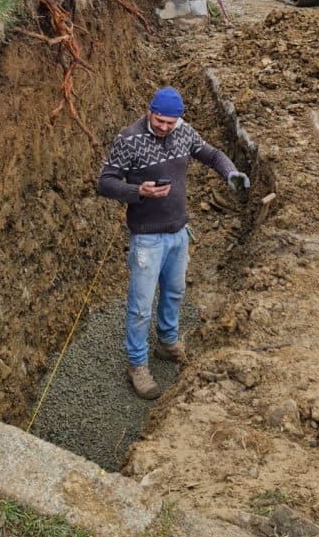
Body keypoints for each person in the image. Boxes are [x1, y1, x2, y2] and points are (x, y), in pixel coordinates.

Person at [96, 86, 250, 400]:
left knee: (175, 291)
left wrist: (230, 172)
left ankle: (167, 341)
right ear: (150, 110)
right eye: (159, 120)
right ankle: (137, 364)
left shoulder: (183, 131)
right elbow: (105, 182)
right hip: (147, 238)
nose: (164, 127)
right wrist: (139, 192)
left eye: (170, 122)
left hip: (178, 233)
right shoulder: (129, 139)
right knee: (140, 307)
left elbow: (212, 154)